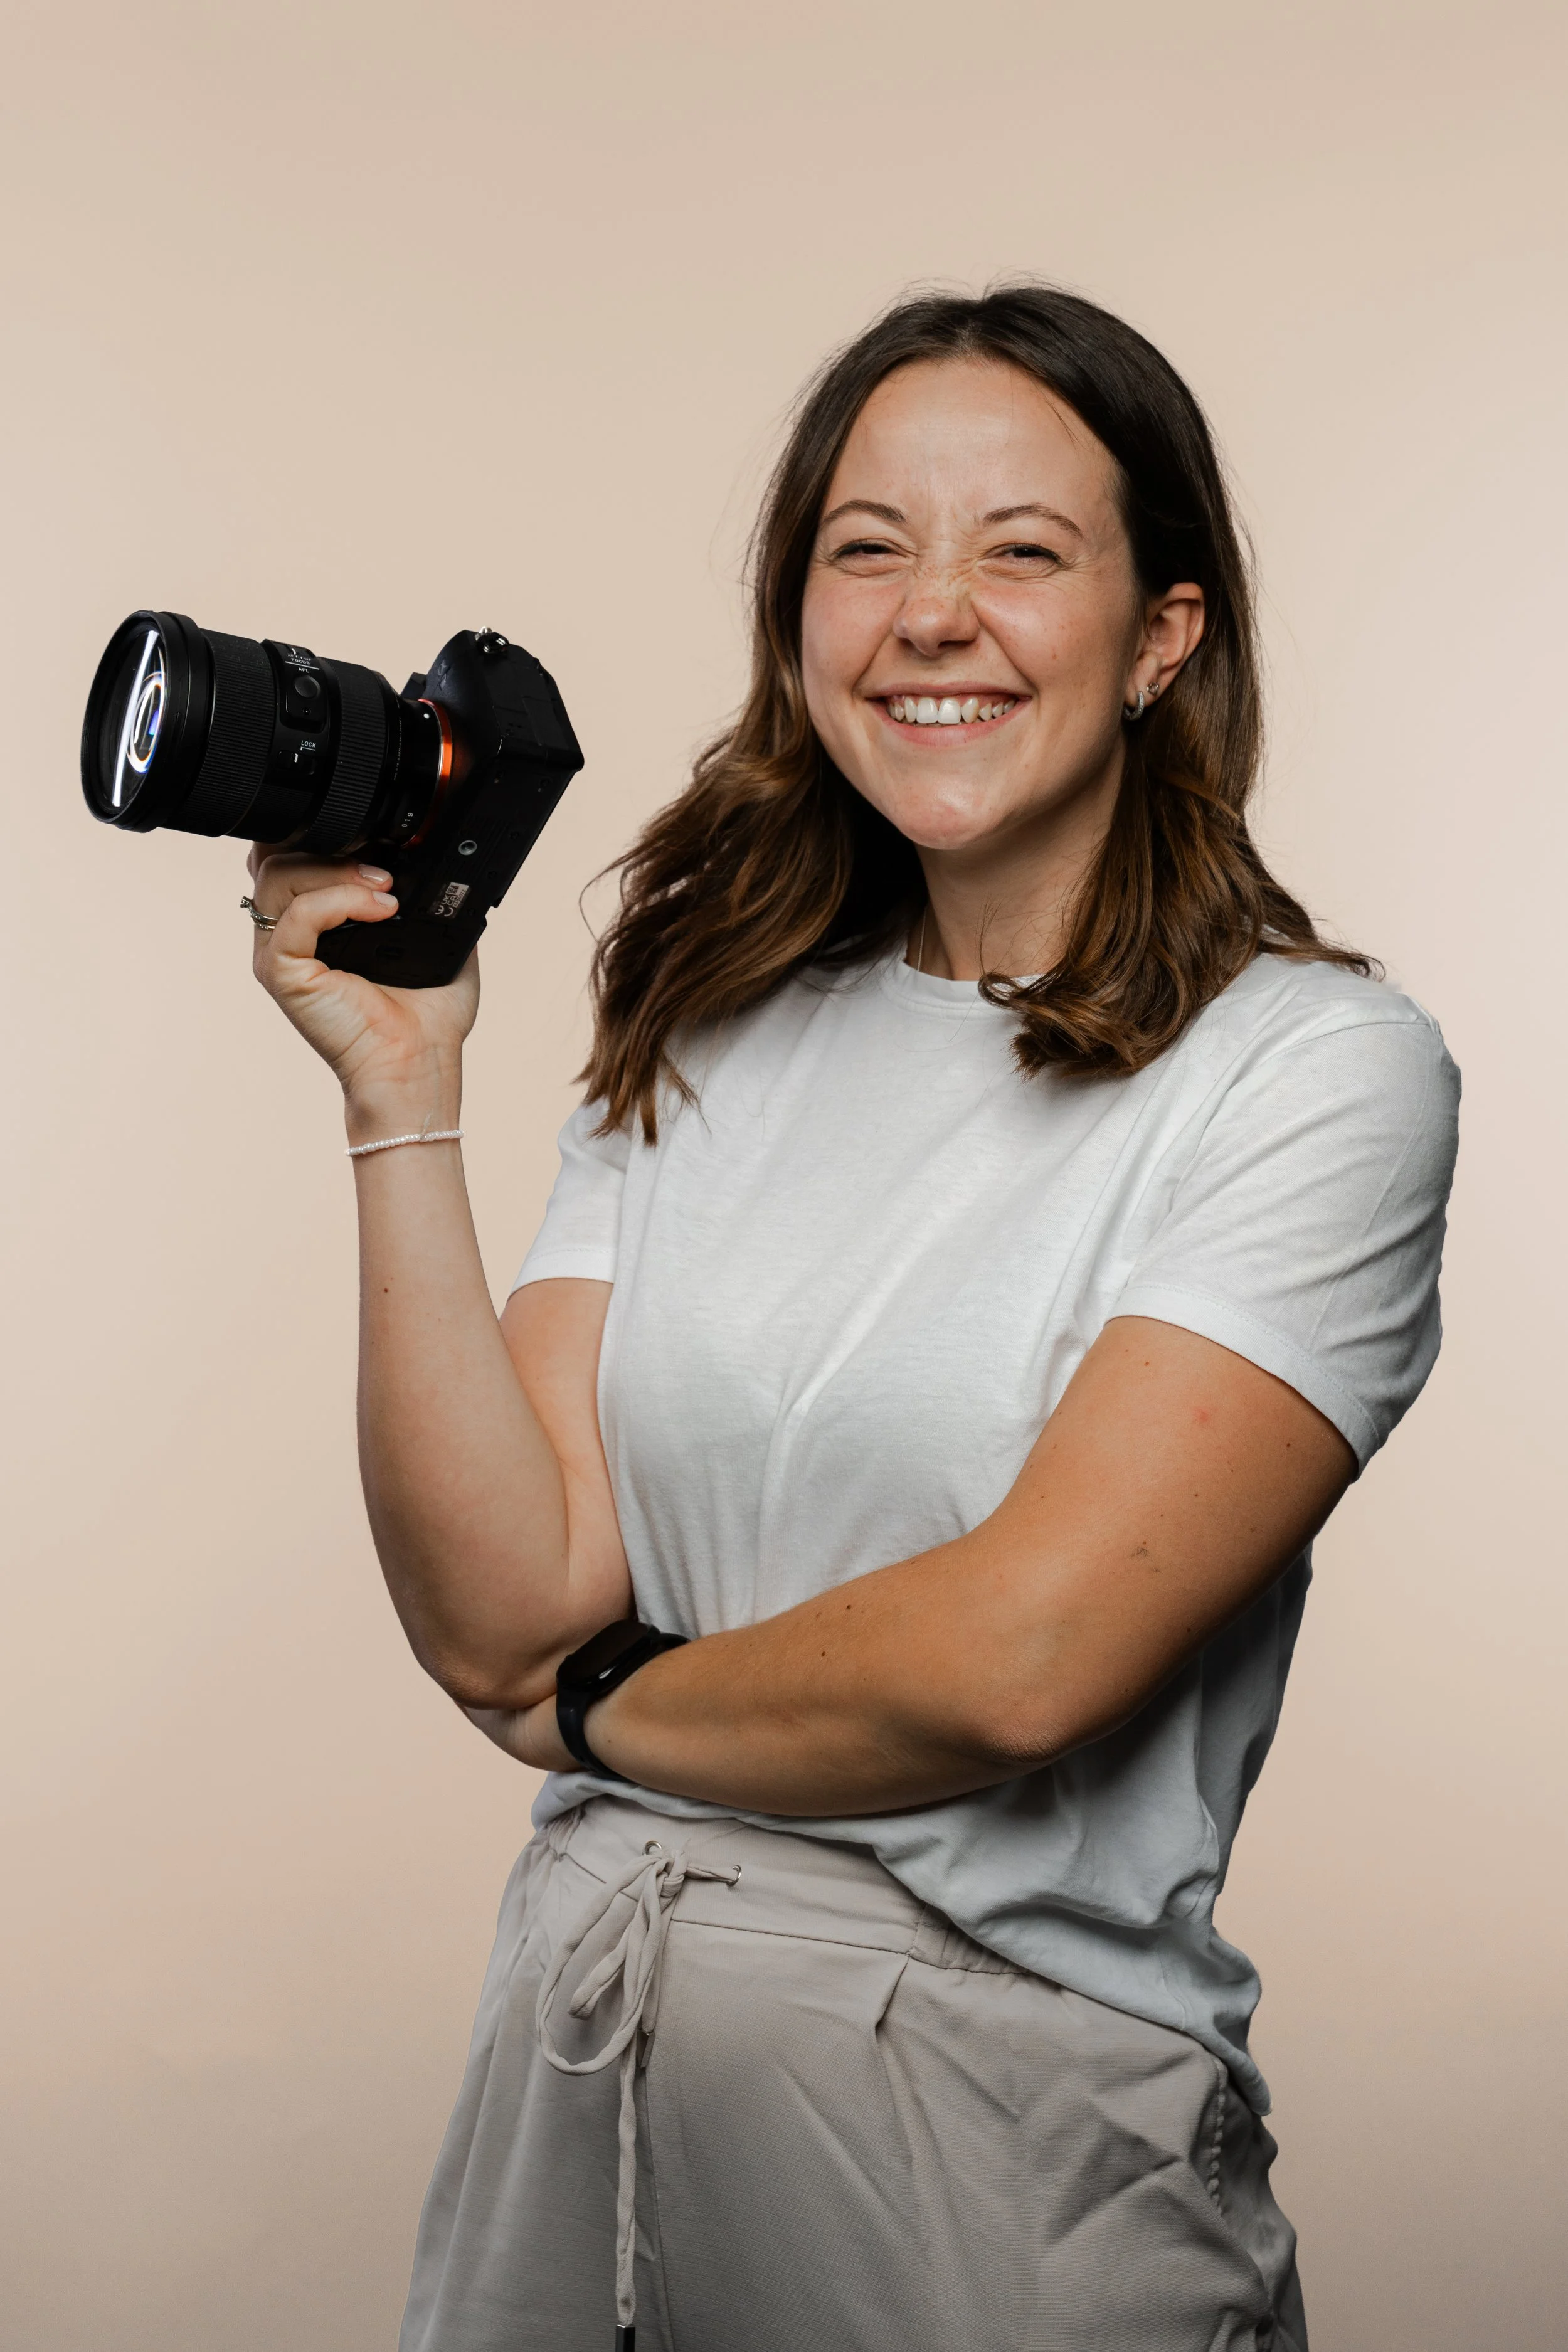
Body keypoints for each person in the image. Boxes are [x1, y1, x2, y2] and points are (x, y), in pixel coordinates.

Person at [248, 285, 1459, 2352]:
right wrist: (403, 1099)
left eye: (1021, 549)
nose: (930, 613)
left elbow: (1021, 1656)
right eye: (866, 544)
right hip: (577, 2084)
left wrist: (606, 1710)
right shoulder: (717, 1017)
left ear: (1162, 632)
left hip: (978, 2140)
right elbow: (497, 1599)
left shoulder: (1314, 1073)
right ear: (797, 613)